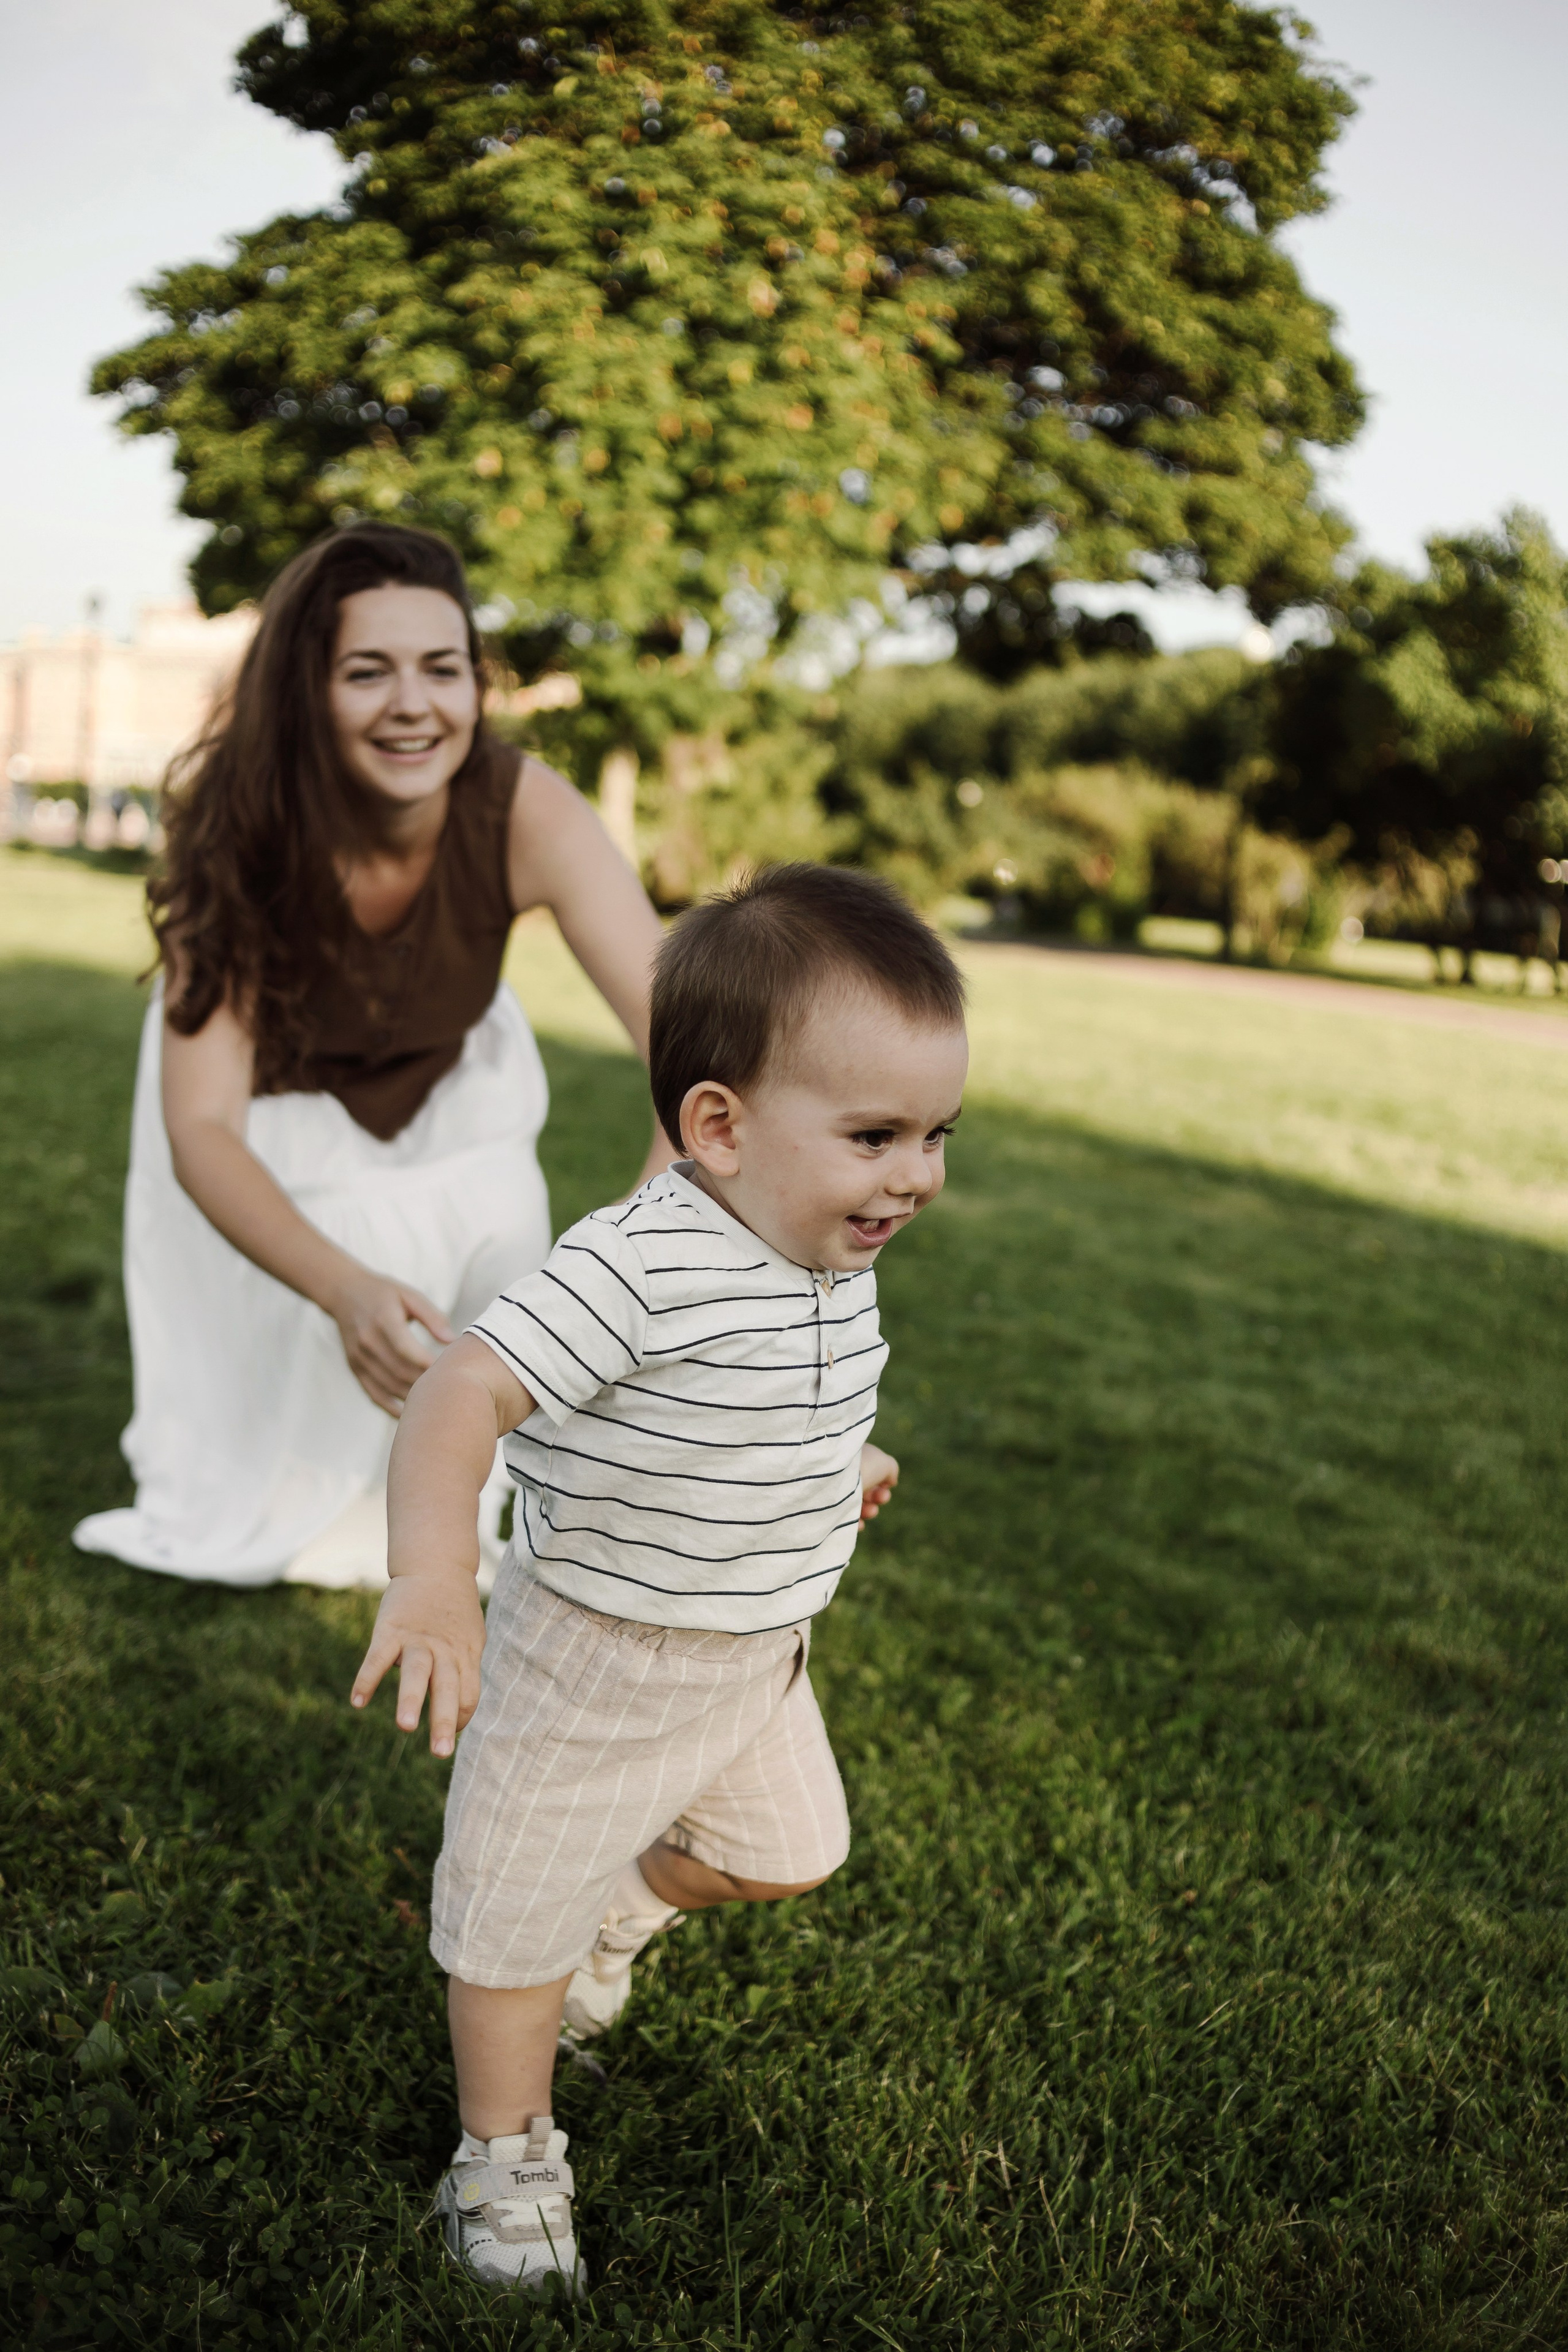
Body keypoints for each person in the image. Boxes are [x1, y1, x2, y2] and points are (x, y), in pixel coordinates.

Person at [350, 863, 970, 2296]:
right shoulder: (634, 1264)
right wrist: (433, 1574)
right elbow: (458, 1390)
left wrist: (831, 1462)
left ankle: (615, 1915)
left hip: (753, 1661)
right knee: (508, 1931)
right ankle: (502, 2157)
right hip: (598, 1654)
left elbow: (751, 1389)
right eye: (875, 1135)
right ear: (718, 1126)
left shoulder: (820, 1237)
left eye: (936, 1134)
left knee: (788, 1853)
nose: (914, 1175)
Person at [73, 523, 673, 1591]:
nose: (413, 704)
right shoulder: (238, 828)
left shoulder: (525, 807)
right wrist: (345, 1290)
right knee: (300, 1376)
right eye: (367, 672)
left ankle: (451, 1470)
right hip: (265, 1132)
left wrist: (613, 1267)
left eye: (443, 669)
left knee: (497, 1224)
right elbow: (201, 1128)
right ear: (306, 690)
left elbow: (696, 1049)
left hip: (445, 1099)